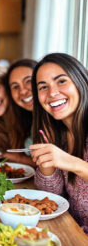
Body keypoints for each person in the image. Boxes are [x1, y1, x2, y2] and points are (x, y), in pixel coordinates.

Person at [29, 53, 88, 234]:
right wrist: (47, 163)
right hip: (72, 234)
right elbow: (53, 197)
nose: (52, 93)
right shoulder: (57, 132)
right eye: (43, 87)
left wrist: (73, 163)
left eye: (61, 81)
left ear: (81, 81)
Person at [3, 59, 37, 163]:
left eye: (28, 81)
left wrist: (20, 159)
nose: (22, 91)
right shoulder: (29, 118)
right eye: (15, 86)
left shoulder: (57, 119)